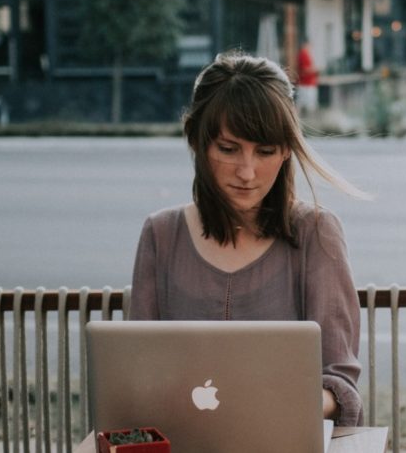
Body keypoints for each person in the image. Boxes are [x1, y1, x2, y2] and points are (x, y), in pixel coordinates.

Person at [129, 52, 367, 427]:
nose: (247, 171)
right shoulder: (161, 234)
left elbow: (340, 384)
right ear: (196, 141)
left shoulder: (316, 233)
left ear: (287, 150)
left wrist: (282, 404)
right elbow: (136, 372)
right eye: (228, 148)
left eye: (266, 151)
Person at [296, 39, 320, 116]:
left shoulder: (306, 54)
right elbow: (304, 70)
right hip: (306, 83)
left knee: (304, 103)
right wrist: (315, 69)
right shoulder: (303, 54)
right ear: (305, 45)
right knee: (306, 103)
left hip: (308, 83)